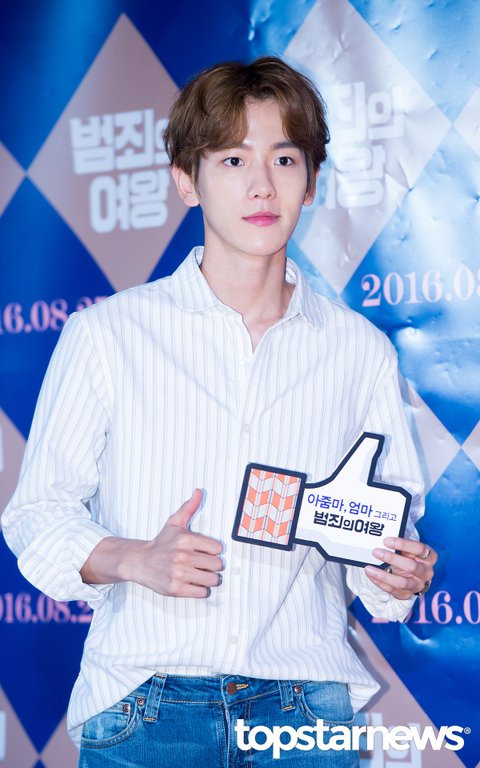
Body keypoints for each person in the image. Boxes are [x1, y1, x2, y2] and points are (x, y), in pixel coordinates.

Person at [2, 56, 436, 767]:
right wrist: (135, 557)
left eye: (284, 159)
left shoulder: (358, 351)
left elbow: (379, 546)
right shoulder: (109, 335)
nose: (262, 184)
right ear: (186, 180)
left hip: (304, 714)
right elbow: (36, 514)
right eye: (233, 160)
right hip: (145, 708)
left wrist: (395, 573)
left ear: (311, 181)